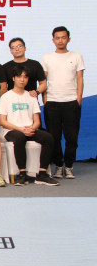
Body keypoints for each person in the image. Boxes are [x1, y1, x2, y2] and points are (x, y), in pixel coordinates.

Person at [0, 66, 59, 186]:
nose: (22, 80)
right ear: (13, 78)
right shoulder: (6, 97)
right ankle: (22, 174)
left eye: (25, 77)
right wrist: (21, 129)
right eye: (19, 76)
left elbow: (37, 121)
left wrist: (32, 128)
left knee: (48, 138)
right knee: (19, 137)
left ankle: (42, 174)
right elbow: (2, 122)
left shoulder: (31, 97)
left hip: (29, 129)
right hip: (12, 130)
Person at [41, 26, 85, 179]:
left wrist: (79, 98)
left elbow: (80, 78)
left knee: (72, 137)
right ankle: (59, 166)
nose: (60, 40)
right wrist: (45, 99)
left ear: (68, 39)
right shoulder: (47, 57)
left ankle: (69, 166)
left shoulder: (77, 56)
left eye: (63, 37)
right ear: (53, 40)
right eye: (57, 38)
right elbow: (43, 80)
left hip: (71, 101)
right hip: (52, 102)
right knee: (54, 137)